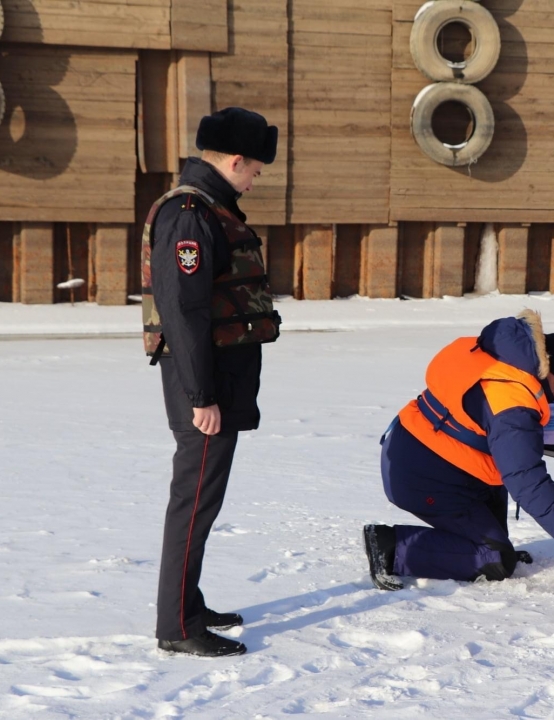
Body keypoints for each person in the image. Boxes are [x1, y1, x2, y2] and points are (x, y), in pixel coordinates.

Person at [141, 107, 281, 656]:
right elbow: (184, 310)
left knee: (203, 499)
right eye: (256, 166)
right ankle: (176, 626)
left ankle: (188, 605)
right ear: (235, 160)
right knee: (193, 501)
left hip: (216, 378)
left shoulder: (211, 209)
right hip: (203, 383)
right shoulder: (190, 215)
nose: (258, 176)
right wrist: (203, 396)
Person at [364, 310, 554, 590]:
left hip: (426, 451)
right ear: (545, 370)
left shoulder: (502, 357)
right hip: (421, 477)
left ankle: (484, 543)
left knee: (498, 506)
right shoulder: (512, 405)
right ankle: (391, 548)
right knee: (496, 560)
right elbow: (526, 480)